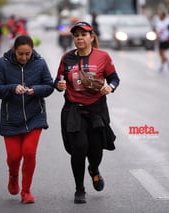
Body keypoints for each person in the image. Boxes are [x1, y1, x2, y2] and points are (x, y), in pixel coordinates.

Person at [54, 21, 120, 204]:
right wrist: (59, 86)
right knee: (79, 148)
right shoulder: (66, 58)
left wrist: (110, 87)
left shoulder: (103, 57)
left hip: (97, 109)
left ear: (91, 37)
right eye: (76, 35)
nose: (80, 38)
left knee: (96, 149)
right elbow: (58, 81)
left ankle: (94, 169)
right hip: (74, 110)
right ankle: (79, 189)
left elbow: (114, 78)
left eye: (83, 34)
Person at [0, 35, 54, 204]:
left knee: (29, 153)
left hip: (35, 117)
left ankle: (26, 191)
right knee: (13, 157)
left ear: (32, 51)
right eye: (21, 54)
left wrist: (35, 90)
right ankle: (13, 175)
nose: (24, 57)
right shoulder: (3, 64)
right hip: (11, 118)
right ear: (14, 50)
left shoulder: (40, 63)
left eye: (28, 53)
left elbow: (49, 86)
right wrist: (12, 88)